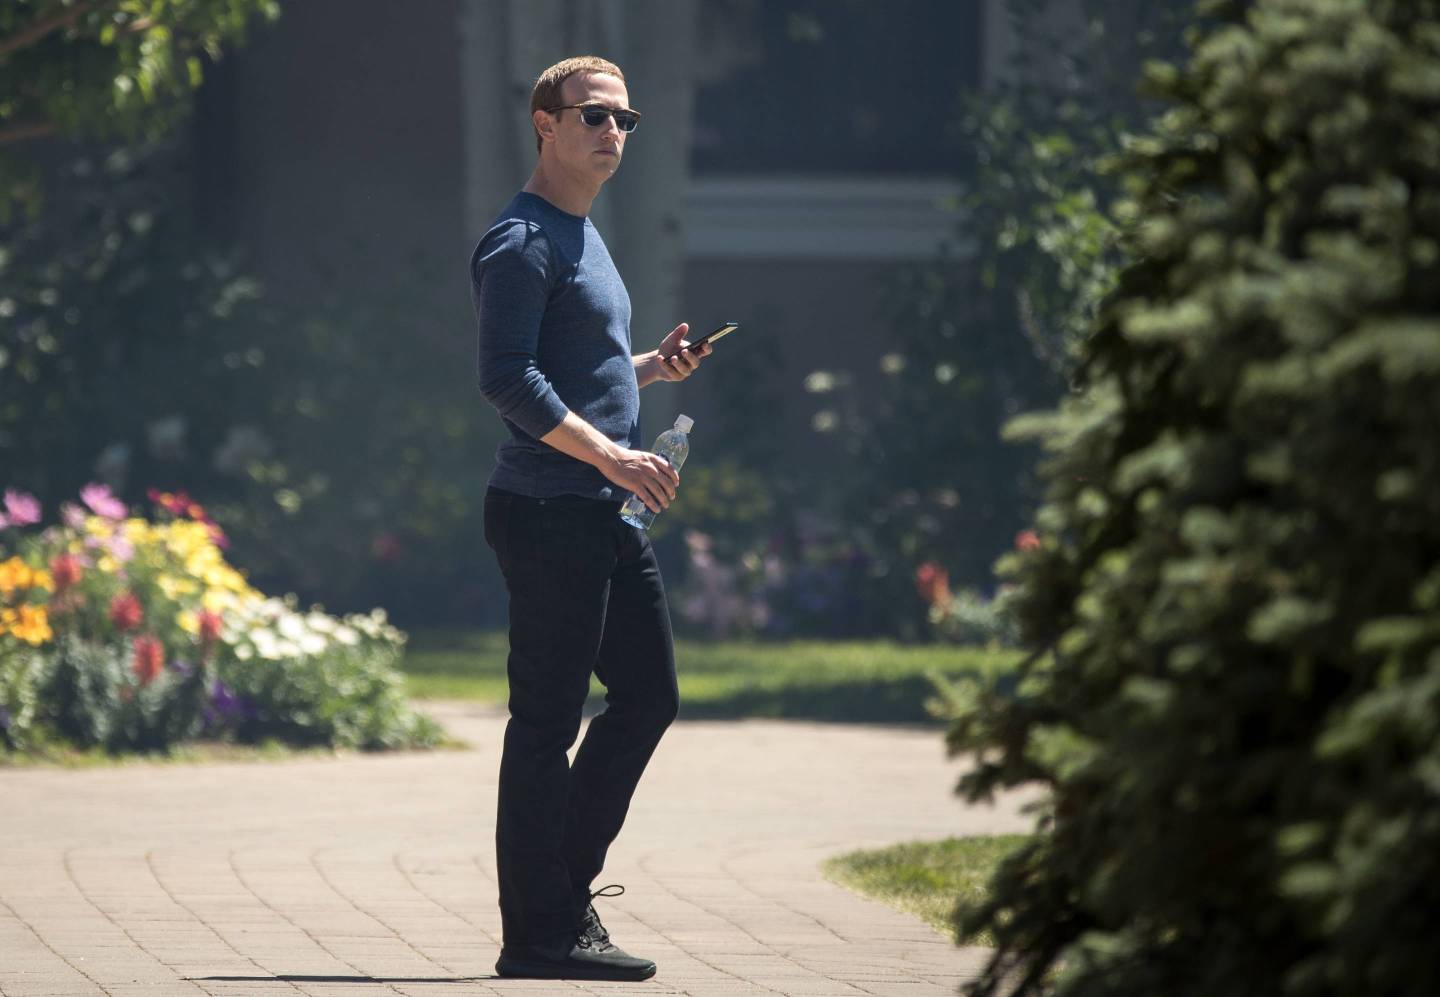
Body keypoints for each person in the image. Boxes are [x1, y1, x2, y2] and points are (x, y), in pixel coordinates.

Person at [469, 55, 711, 982]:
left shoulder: (582, 234)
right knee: (546, 720)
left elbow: (584, 367)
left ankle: (558, 898)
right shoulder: (521, 240)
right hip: (547, 507)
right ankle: (538, 930)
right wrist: (611, 454)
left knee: (649, 697)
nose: (613, 133)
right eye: (594, 116)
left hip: (602, 510)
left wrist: (652, 366)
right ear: (545, 124)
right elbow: (505, 376)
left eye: (624, 120)